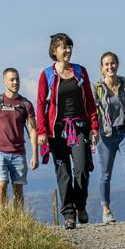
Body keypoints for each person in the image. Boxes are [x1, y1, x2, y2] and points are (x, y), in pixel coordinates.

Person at [36, 33, 100, 229]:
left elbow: (90, 100)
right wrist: (41, 132)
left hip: (79, 127)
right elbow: (40, 104)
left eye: (70, 46)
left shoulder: (80, 72)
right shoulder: (47, 75)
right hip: (56, 131)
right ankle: (69, 214)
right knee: (63, 173)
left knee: (81, 169)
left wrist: (94, 126)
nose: (68, 50)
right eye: (64, 47)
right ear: (54, 51)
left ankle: (80, 205)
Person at [94, 52, 125, 224]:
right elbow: (92, 114)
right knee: (105, 174)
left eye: (113, 63)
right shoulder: (97, 89)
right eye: (107, 64)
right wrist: (92, 135)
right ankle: (106, 210)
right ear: (102, 68)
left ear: (117, 64)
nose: (110, 67)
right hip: (105, 135)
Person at [0, 68, 38, 211]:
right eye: (11, 79)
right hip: (0, 152)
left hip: (19, 153)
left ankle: (18, 217)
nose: (15, 82)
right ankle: (3, 215)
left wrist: (35, 154)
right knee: (2, 184)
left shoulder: (26, 104)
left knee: (18, 188)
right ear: (4, 82)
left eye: (17, 79)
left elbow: (32, 130)